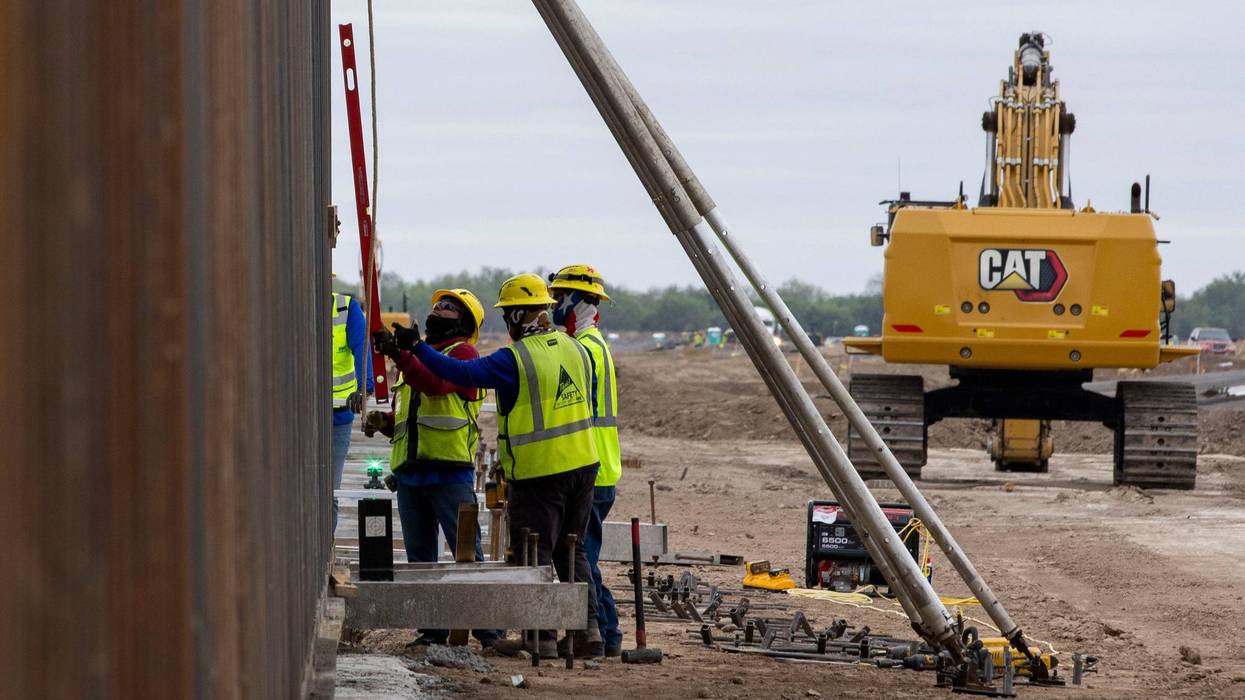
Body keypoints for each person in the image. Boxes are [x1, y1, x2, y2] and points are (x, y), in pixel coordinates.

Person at [400, 273, 603, 660]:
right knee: (571, 550)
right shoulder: (577, 348)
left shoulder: (516, 358)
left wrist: (416, 350)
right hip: (584, 464)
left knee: (534, 554)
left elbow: (460, 374)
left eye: (508, 315)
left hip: (541, 470)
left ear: (517, 316)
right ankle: (587, 632)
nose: (507, 323)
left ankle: (539, 638)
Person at [366, 289, 499, 649]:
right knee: (420, 558)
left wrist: (400, 354)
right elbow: (414, 412)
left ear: (465, 322)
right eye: (438, 305)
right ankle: (432, 631)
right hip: (412, 473)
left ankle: (489, 631)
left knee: (466, 554)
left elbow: (437, 385)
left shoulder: (463, 355)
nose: (438, 310)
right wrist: (385, 420)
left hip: (449, 471)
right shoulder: (417, 359)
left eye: (449, 308)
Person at [548, 264, 624, 657]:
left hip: (590, 469)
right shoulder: (594, 344)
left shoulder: (584, 350)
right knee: (584, 555)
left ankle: (603, 635)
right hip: (602, 466)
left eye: (559, 297)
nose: (554, 305)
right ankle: (606, 635)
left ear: (578, 300)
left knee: (581, 557)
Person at [330, 290, 372, 530]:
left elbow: (362, 350)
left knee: (329, 492)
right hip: (298, 416)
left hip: (338, 415)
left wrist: (364, 388)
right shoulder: (294, 305)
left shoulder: (346, 309)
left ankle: (327, 547)